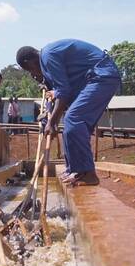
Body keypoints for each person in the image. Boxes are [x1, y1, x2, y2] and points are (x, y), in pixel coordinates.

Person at [16, 39, 121, 186]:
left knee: (73, 119)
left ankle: (89, 174)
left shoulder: (48, 56)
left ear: (29, 62)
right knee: (72, 125)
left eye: (30, 70)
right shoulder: (47, 67)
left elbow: (63, 92)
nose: (33, 73)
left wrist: (52, 122)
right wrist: (47, 120)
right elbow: (56, 97)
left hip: (101, 76)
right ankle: (75, 170)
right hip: (89, 80)